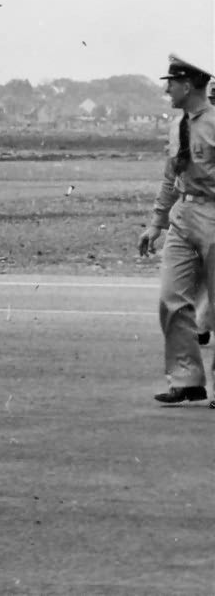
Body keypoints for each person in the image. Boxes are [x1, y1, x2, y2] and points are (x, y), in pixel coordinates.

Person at [136, 55, 215, 404]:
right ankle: (186, 380)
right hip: (184, 215)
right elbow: (171, 177)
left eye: (172, 82)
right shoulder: (177, 125)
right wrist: (156, 222)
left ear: (188, 85)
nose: (167, 88)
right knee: (172, 299)